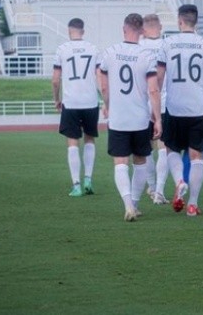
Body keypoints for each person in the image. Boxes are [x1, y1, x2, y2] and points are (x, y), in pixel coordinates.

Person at [157, 4, 203, 216]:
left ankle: (179, 180)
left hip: (174, 107)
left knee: (171, 149)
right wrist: (201, 81)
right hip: (199, 108)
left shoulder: (167, 44)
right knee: (196, 156)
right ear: (196, 22)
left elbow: (158, 78)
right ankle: (192, 204)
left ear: (179, 21)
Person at [98, 13, 162, 221]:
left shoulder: (110, 52)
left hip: (118, 117)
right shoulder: (147, 55)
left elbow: (104, 85)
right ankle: (134, 203)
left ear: (123, 29)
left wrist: (107, 105)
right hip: (140, 117)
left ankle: (127, 205)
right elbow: (153, 90)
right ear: (142, 31)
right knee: (141, 161)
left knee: (120, 163)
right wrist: (158, 118)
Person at [52, 18, 100, 197]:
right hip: (90, 101)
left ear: (68, 30)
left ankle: (77, 185)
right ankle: (88, 179)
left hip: (71, 102)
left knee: (72, 141)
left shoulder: (62, 50)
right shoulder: (93, 49)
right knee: (89, 139)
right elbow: (100, 78)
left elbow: (55, 80)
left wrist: (56, 99)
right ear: (83, 31)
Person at [136, 14, 170, 206]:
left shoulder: (138, 47)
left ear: (143, 29)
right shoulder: (167, 45)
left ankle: (151, 186)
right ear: (161, 27)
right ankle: (159, 191)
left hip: (142, 102)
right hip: (164, 101)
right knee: (163, 147)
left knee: (145, 148)